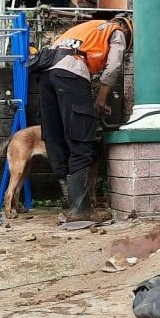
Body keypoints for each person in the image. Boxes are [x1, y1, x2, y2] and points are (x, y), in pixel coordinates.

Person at [40, 15, 133, 223]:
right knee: (80, 137)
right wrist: (100, 99)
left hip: (46, 74)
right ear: (127, 31)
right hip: (70, 72)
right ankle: (81, 210)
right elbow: (114, 66)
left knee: (56, 137)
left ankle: (72, 204)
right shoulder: (116, 31)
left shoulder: (85, 28)